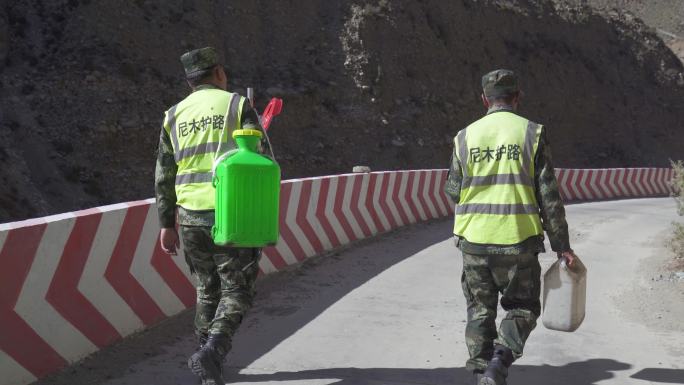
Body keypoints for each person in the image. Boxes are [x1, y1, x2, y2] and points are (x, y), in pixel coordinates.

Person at [444, 69, 579, 385]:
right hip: (517, 241)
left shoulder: (465, 136)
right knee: (523, 308)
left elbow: (453, 190)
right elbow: (549, 196)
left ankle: (482, 375)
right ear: (517, 97)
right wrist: (563, 246)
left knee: (479, 310)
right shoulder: (531, 133)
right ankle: (499, 364)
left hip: (473, 241)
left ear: (484, 99)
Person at [154, 46, 271, 385]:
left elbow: (163, 174)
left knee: (207, 289)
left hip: (189, 215)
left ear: (190, 81)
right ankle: (213, 351)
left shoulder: (172, 115)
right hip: (230, 212)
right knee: (237, 289)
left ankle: (206, 365)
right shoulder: (236, 104)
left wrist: (166, 224)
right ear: (218, 73)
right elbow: (260, 153)